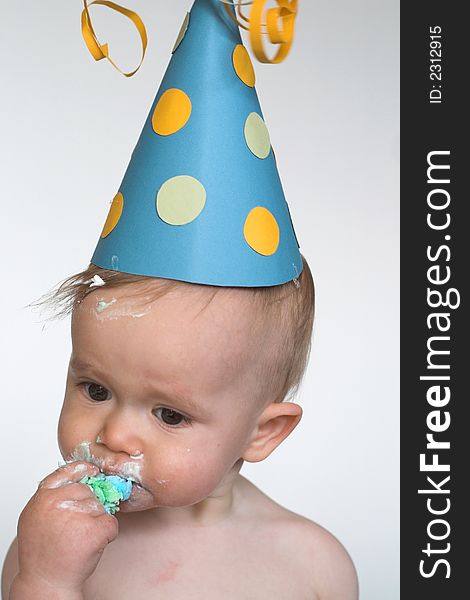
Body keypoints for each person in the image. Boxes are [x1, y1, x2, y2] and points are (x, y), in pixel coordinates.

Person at [2, 0, 358, 597]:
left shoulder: (312, 566)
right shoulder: (58, 544)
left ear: (261, 434)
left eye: (169, 414)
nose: (113, 435)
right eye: (95, 389)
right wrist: (43, 577)